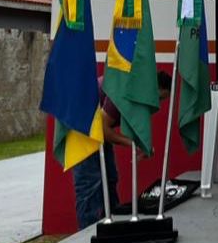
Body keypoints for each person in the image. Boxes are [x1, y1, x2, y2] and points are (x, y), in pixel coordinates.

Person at [72, 72, 172, 229]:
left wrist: (140, 143)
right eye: (159, 98)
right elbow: (103, 130)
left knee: (110, 178)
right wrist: (132, 144)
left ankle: (112, 225)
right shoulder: (123, 92)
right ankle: (87, 232)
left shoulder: (140, 94)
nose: (158, 104)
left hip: (96, 125)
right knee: (90, 183)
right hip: (81, 125)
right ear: (152, 89)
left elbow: (128, 126)